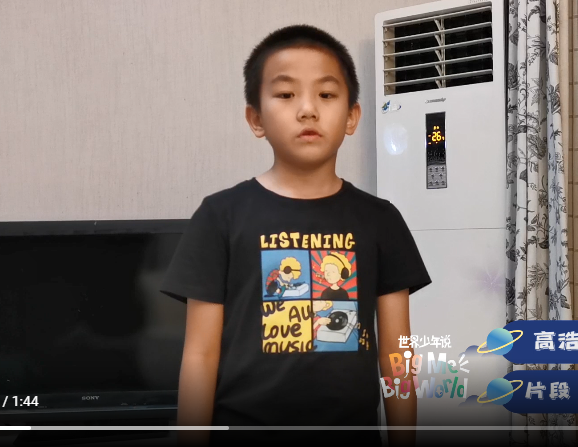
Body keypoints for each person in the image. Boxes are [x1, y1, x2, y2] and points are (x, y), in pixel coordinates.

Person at [160, 25, 431, 446]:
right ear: (256, 119)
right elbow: (200, 355)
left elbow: (397, 354)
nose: (307, 109)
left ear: (352, 116)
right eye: (286, 94)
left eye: (326, 94)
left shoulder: (381, 220)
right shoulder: (220, 215)